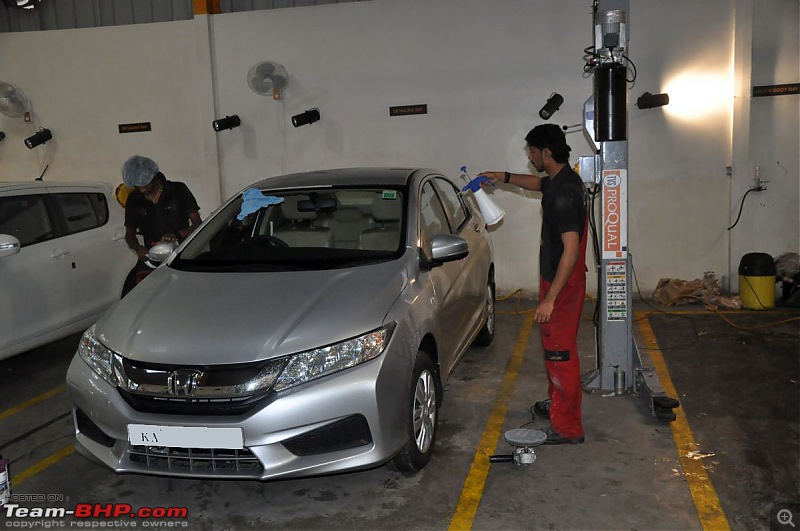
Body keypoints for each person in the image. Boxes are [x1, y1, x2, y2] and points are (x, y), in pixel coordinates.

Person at [479, 124, 588, 445]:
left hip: (562, 284)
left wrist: (550, 299)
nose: (529, 156)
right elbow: (539, 185)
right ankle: (558, 404)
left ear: (547, 153)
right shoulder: (561, 180)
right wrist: (503, 176)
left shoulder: (565, 196)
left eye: (532, 151)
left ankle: (568, 428)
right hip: (557, 279)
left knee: (560, 353)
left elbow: (570, 249)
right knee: (555, 346)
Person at [120, 155, 201, 297]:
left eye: (145, 184)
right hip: (152, 260)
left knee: (183, 296)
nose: (142, 189)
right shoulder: (134, 199)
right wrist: (138, 248)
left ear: (154, 176)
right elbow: (129, 233)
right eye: (137, 186)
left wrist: (176, 235)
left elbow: (198, 224)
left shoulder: (178, 190)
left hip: (181, 257)